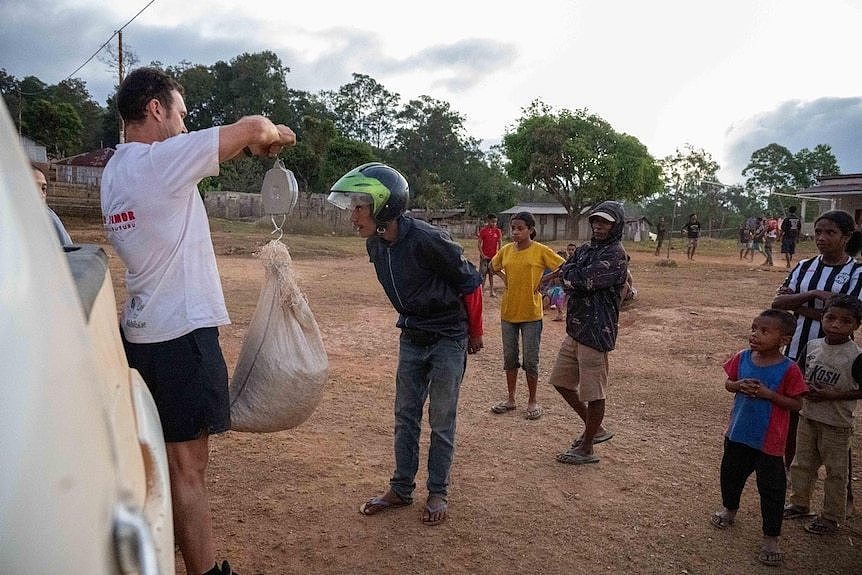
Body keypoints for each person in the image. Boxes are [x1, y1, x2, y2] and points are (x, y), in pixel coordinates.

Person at [100, 67, 297, 575]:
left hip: (142, 334)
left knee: (166, 464)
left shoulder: (115, 172)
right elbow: (253, 127)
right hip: (181, 336)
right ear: (155, 110)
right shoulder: (159, 161)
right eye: (182, 114)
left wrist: (253, 145)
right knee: (189, 468)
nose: (186, 127)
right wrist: (272, 137)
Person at [327, 162, 484, 527]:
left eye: (359, 207)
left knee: (442, 419)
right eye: (352, 206)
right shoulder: (375, 245)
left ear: (384, 206)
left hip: (447, 337)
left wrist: (474, 333)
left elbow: (471, 283)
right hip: (412, 337)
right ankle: (401, 488)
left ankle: (438, 491)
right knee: (405, 417)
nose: (352, 215)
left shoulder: (429, 240)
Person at [772, 209, 862, 517]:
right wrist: (812, 294)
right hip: (798, 352)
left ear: (846, 237)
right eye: (819, 232)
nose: (822, 238)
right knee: (796, 415)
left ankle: (842, 499)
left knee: (833, 423)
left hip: (835, 359)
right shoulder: (805, 267)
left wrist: (802, 305)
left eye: (830, 233)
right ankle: (793, 486)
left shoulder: (857, 273)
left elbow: (847, 317)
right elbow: (777, 303)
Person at [709, 309, 806, 568]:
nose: (755, 335)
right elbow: (729, 383)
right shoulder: (742, 358)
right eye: (754, 328)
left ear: (784, 339)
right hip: (738, 433)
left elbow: (797, 404)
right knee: (730, 475)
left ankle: (771, 538)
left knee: (772, 490)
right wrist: (739, 385)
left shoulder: (790, 370)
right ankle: (729, 510)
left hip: (770, 443)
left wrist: (769, 394)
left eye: (764, 331)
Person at [549, 201, 628, 465]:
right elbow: (568, 272)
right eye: (596, 221)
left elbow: (580, 279)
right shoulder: (586, 250)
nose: (599, 226)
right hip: (576, 328)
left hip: (597, 332)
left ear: (616, 225)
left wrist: (571, 274)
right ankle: (595, 429)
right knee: (561, 381)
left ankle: (588, 447)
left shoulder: (616, 254)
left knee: (593, 392)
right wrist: (570, 274)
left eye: (605, 222)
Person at [784, 295, 862, 535]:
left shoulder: (856, 356)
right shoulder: (814, 346)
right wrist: (801, 390)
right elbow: (798, 371)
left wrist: (833, 396)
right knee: (801, 464)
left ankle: (831, 517)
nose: (836, 325)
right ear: (823, 318)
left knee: (836, 472)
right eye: (830, 318)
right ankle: (800, 503)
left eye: (845, 321)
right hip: (808, 416)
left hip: (836, 423)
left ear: (856, 326)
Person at [488, 211, 565, 420]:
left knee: (531, 360)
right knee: (510, 358)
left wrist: (544, 279)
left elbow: (562, 266)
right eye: (513, 228)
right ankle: (511, 399)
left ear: (530, 230)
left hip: (531, 313)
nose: (515, 232)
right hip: (509, 312)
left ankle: (532, 401)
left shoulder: (540, 251)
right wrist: (505, 278)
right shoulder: (506, 251)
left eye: (520, 228)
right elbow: (492, 266)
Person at [33, 167, 72, 247]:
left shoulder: (49, 218)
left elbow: (68, 251)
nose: (41, 194)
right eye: (33, 188)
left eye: (43, 189)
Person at [477, 214, 503, 297]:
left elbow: (500, 243)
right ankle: (481, 291)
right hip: (484, 257)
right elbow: (479, 244)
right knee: (483, 274)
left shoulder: (497, 231)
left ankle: (492, 291)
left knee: (491, 274)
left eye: (495, 222)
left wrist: (498, 254)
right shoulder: (483, 231)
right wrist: (482, 254)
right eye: (492, 222)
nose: (494, 224)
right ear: (488, 221)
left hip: (493, 257)